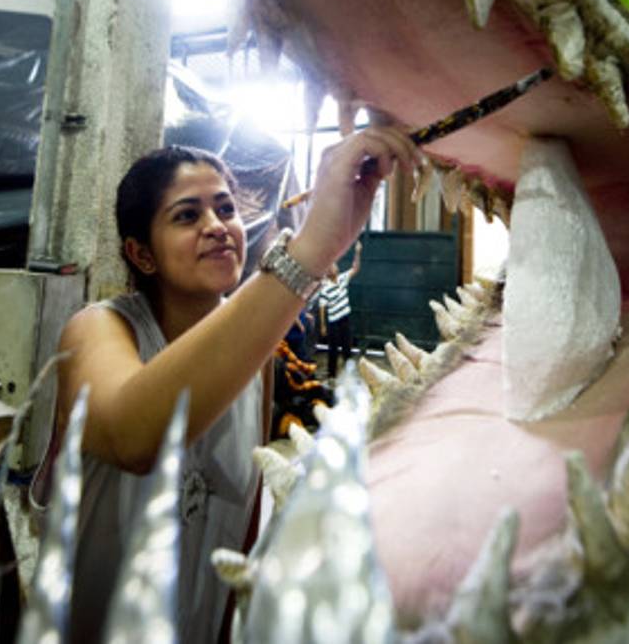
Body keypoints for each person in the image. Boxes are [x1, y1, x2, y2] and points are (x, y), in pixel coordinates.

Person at [34, 128, 420, 643]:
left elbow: (237, 519)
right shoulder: (97, 330)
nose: (218, 227)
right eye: (187, 215)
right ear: (141, 254)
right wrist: (307, 251)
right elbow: (133, 436)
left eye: (226, 209)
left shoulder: (254, 360)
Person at [318, 240, 362, 379]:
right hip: (333, 323)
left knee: (347, 348)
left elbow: (355, 268)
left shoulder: (343, 278)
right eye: (330, 267)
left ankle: (349, 373)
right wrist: (323, 325)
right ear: (327, 272)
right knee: (333, 350)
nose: (333, 267)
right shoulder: (324, 287)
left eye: (334, 265)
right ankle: (332, 375)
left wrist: (357, 252)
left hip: (345, 319)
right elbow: (322, 307)